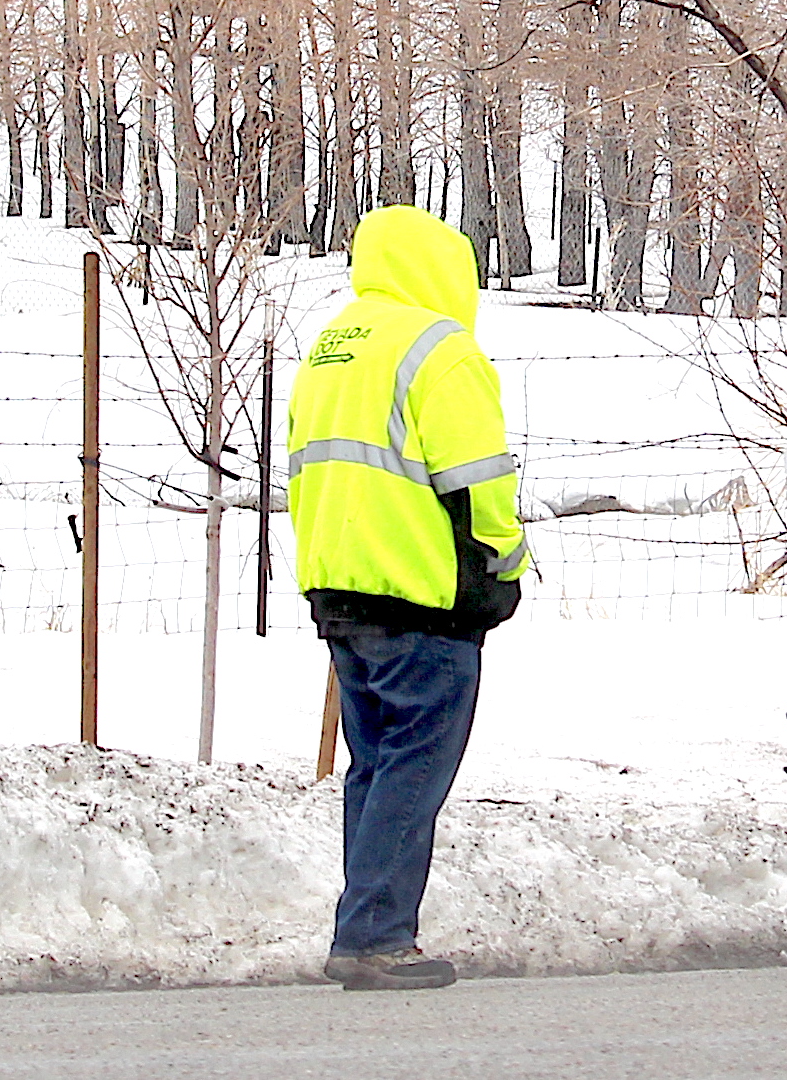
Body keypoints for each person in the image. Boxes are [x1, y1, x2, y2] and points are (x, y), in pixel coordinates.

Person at [286, 204, 529, 991]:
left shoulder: (331, 348)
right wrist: (505, 570)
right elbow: (481, 482)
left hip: (340, 588)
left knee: (375, 766)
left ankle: (365, 926)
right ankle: (374, 938)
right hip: (423, 595)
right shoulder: (440, 350)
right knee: (415, 767)